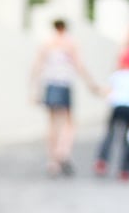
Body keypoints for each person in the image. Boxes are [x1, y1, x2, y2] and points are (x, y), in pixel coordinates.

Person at [31, 18, 100, 177]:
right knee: (69, 122)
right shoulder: (70, 43)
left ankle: (52, 161)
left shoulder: (47, 44)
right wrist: (92, 84)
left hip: (49, 84)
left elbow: (37, 66)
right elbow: (79, 65)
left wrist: (34, 91)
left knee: (52, 124)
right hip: (63, 85)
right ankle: (63, 152)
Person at [94, 51, 129, 180]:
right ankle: (125, 170)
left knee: (110, 135)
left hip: (117, 106)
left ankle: (102, 161)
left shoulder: (118, 74)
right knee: (128, 139)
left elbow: (109, 91)